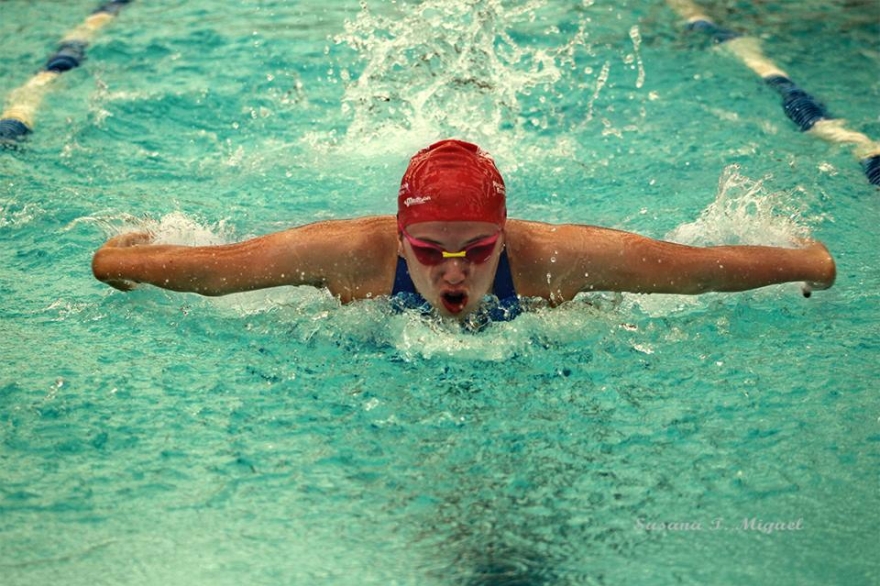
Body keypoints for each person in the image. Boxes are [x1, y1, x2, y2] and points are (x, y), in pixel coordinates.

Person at [92, 139, 836, 323]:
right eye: (429, 252)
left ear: (505, 239)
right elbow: (218, 270)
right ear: (399, 240)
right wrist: (121, 260)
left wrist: (808, 260)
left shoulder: (556, 260)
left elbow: (698, 269)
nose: (455, 272)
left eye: (478, 251)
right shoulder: (348, 255)